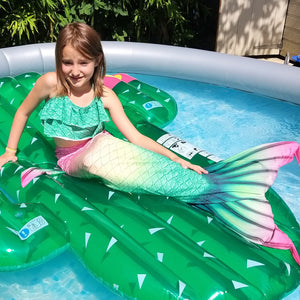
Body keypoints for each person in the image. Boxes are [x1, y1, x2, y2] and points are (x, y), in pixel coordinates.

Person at [0, 22, 299, 265]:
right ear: (58, 61)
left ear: (97, 62)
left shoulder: (105, 96)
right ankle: (211, 192)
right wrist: (11, 151)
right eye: (67, 62)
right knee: (100, 160)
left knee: (132, 158)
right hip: (74, 159)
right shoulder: (50, 84)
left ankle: (208, 189)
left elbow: (136, 137)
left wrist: (178, 160)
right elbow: (24, 112)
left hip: (103, 144)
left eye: (83, 62)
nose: (75, 70)